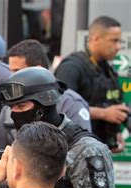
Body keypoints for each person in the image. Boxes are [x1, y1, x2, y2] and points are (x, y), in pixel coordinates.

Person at [0, 39, 92, 149]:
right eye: (11, 70)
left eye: (18, 70)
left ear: (39, 69)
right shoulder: (9, 107)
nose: (11, 76)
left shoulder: (70, 103)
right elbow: (2, 150)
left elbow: (83, 146)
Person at [55, 16, 129, 152]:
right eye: (114, 41)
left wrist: (115, 130)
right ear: (96, 39)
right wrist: (104, 113)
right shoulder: (71, 67)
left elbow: (111, 101)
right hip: (75, 152)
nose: (118, 47)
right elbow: (61, 108)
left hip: (98, 148)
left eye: (119, 41)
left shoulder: (107, 69)